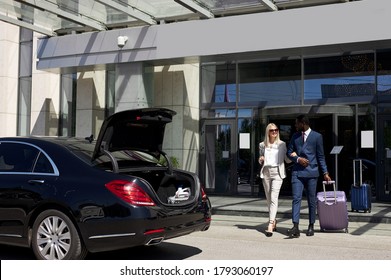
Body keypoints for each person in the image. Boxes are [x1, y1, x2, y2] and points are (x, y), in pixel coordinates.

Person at [286, 114, 332, 238]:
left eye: (297, 123)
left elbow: (321, 156)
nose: (295, 126)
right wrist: (298, 159)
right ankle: (295, 226)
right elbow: (289, 152)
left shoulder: (317, 137)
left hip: (312, 173)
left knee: (311, 200)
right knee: (296, 198)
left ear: (303, 123)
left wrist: (325, 173)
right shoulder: (295, 136)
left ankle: (311, 225)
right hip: (297, 173)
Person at [259, 123, 291, 237]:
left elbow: (286, 159)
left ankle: (270, 224)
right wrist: (261, 159)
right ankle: (274, 220)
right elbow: (260, 159)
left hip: (277, 173)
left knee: (273, 198)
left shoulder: (282, 144)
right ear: (268, 132)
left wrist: (294, 157)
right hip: (266, 172)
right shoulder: (262, 145)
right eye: (272, 130)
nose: (274, 132)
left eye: (276, 130)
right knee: (268, 199)